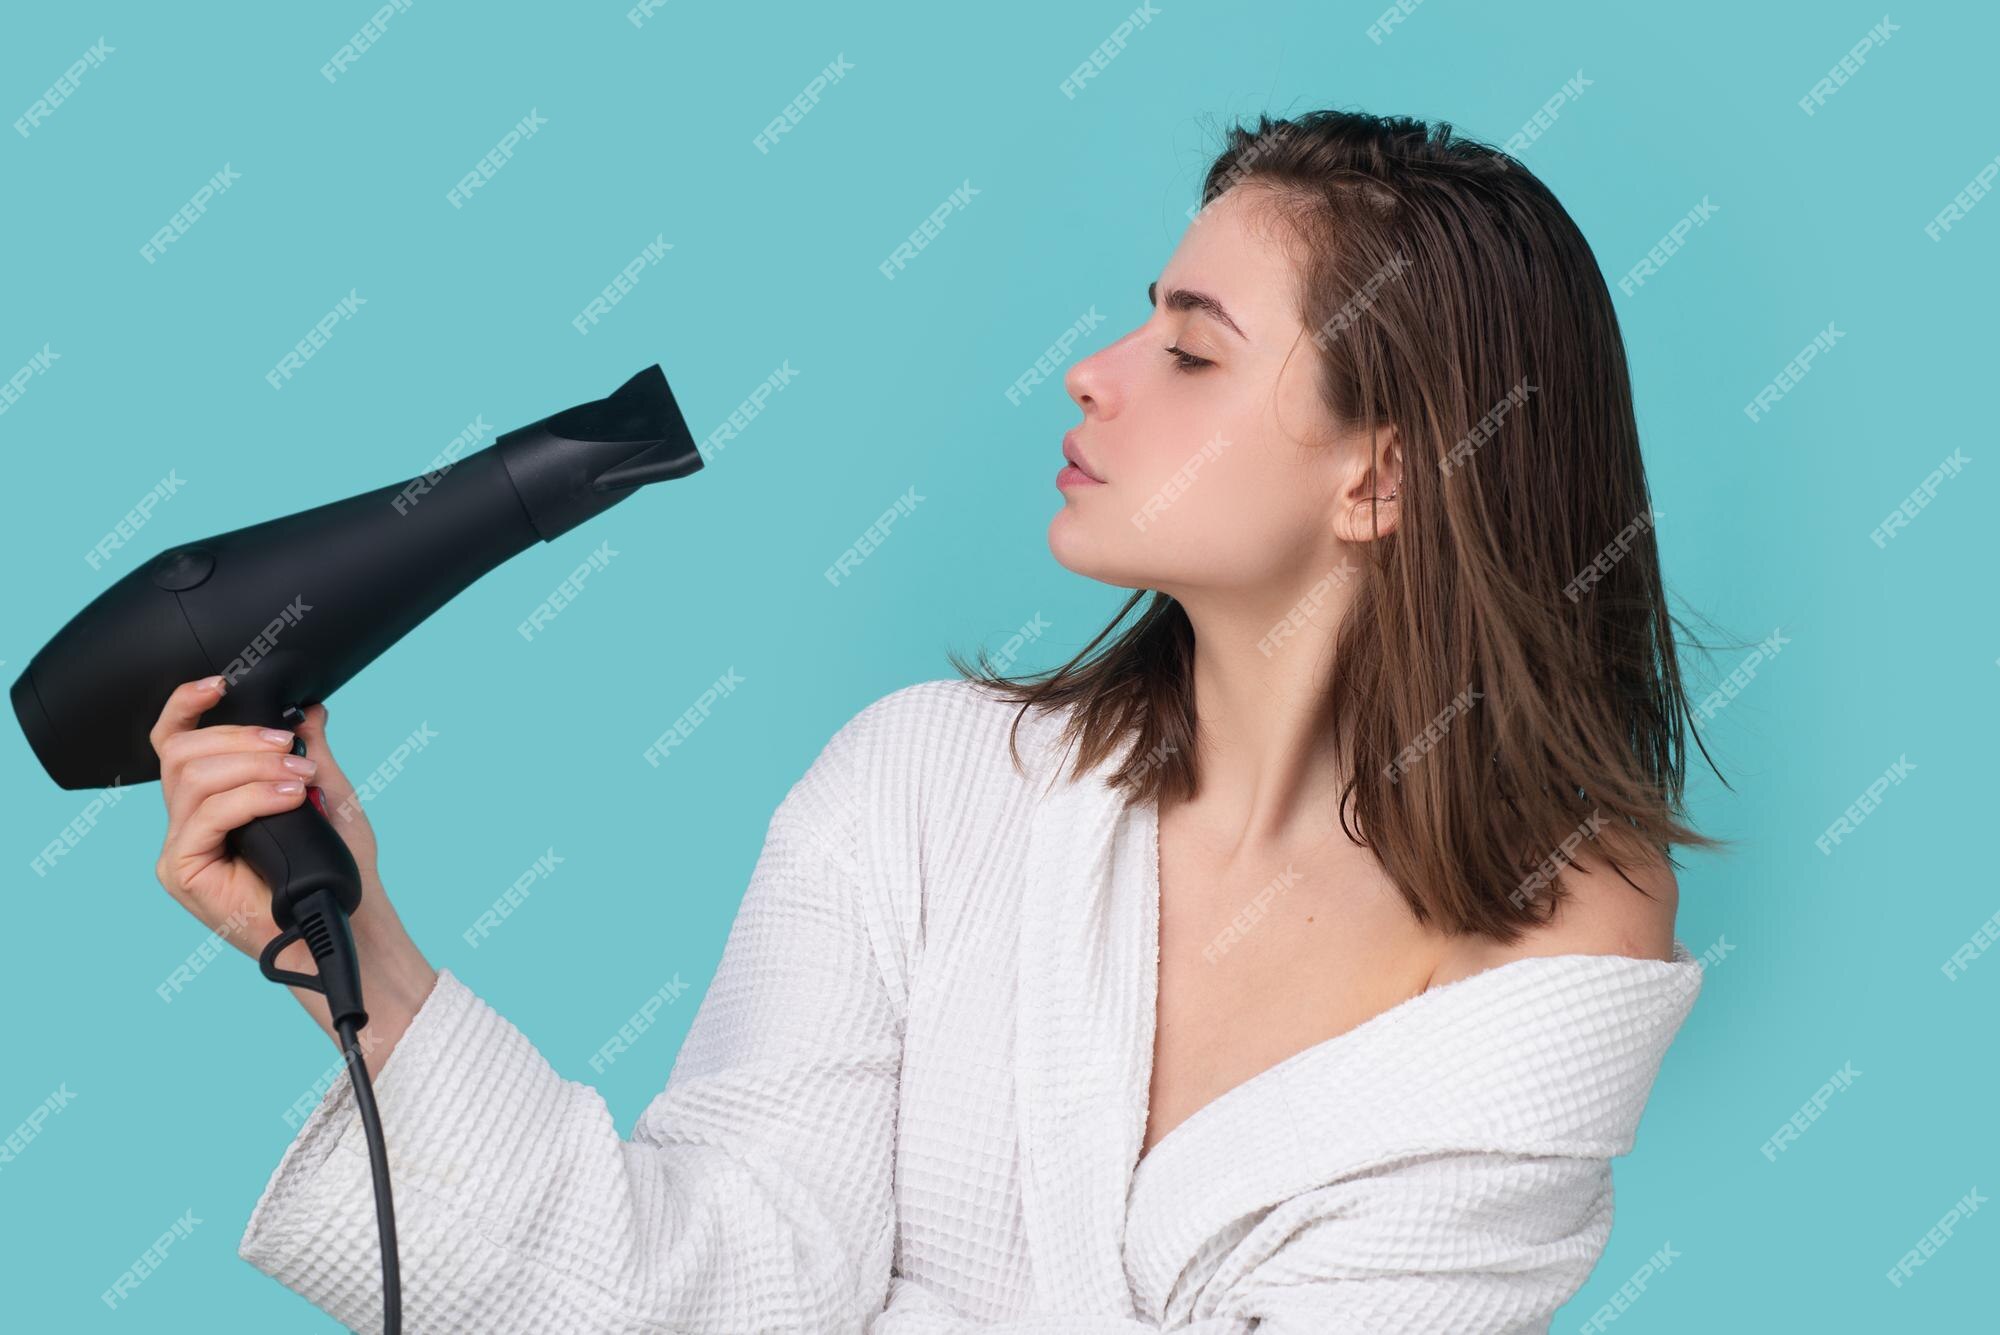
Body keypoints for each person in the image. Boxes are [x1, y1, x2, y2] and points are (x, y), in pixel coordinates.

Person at [152, 109, 1722, 1332]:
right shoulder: (923, 786)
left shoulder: (1559, 923)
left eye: (1191, 348)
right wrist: (376, 964)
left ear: (1380, 476)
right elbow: (715, 1296)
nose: (1094, 374)